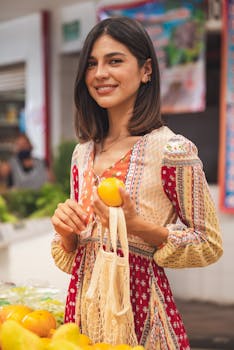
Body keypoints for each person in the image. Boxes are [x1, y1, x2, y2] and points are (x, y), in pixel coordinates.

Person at [51, 17, 223, 349]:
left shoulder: (172, 150)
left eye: (114, 60)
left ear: (146, 70)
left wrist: (137, 226)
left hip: (142, 318)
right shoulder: (82, 154)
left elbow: (208, 244)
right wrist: (67, 234)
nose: (100, 73)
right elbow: (77, 257)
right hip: (82, 318)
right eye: (91, 63)